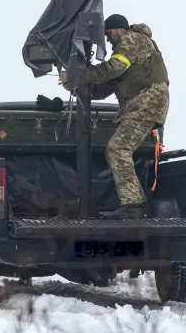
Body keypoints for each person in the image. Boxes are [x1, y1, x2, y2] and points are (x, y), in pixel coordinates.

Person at [60, 13, 170, 219]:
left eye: (108, 34)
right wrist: (76, 85)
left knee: (118, 148)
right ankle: (134, 204)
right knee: (118, 148)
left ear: (120, 29)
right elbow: (103, 89)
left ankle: (134, 205)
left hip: (146, 103)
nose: (108, 40)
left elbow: (114, 68)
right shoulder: (131, 52)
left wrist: (77, 73)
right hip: (142, 105)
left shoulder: (133, 39)